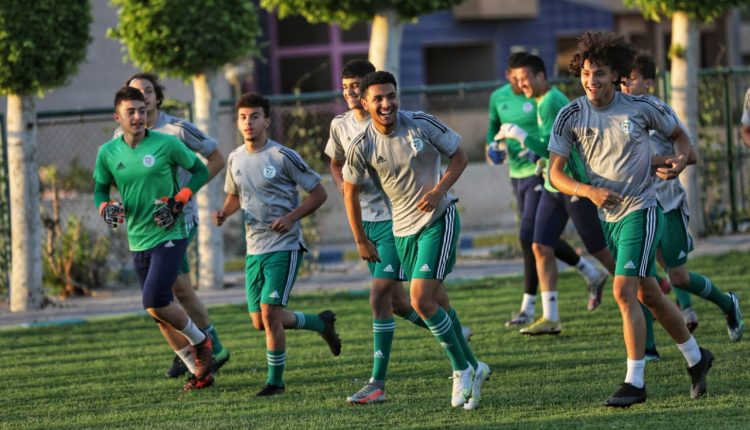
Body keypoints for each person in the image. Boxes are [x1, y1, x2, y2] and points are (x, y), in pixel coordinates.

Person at [548, 31, 714, 407]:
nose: (592, 81)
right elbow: (555, 174)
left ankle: (635, 382)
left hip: (642, 208)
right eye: (586, 74)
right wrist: (588, 192)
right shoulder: (570, 115)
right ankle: (696, 357)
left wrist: (678, 161)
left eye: (601, 74)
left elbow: (680, 138)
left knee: (623, 292)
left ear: (616, 75)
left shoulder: (640, 108)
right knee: (648, 294)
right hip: (609, 216)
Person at [325, 60, 469, 404]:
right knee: (417, 301)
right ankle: (463, 348)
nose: (352, 92)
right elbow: (337, 166)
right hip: (377, 222)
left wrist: (436, 191)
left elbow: (457, 156)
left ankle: (379, 382)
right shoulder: (344, 129)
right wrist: (349, 193)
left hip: (398, 221)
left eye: (358, 86)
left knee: (386, 298)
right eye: (347, 87)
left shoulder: (413, 124)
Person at [213, 93, 341, 397]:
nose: (248, 122)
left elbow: (318, 193)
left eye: (255, 116)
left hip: (284, 246)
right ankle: (321, 323)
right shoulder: (234, 158)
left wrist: (291, 217)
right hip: (253, 249)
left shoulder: (283, 156)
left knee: (270, 313)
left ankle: (276, 382)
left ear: (267, 121)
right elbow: (234, 196)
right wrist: (223, 212)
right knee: (260, 321)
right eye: (243, 117)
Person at [94, 87, 214, 391]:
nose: (138, 116)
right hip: (138, 238)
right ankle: (198, 372)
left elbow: (200, 170)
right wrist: (105, 207)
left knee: (154, 299)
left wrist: (181, 198)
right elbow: (99, 190)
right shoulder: (107, 152)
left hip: (170, 232)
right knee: (156, 313)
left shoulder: (167, 143)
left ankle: (202, 342)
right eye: (130, 112)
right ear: (117, 117)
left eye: (142, 110)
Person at [621, 53, 743, 348]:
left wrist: (671, 165)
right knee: (640, 278)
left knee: (679, 278)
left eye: (632, 79)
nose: (625, 84)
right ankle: (647, 351)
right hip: (635, 209)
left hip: (668, 206)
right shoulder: (616, 115)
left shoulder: (659, 110)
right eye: (621, 79)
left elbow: (691, 154)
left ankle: (727, 303)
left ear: (648, 82)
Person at [121, 73, 230, 381]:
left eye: (146, 91)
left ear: (157, 96)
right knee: (167, 292)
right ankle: (191, 352)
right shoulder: (125, 135)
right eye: (134, 93)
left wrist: (184, 194)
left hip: (181, 221)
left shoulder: (177, 129)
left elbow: (216, 158)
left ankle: (212, 349)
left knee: (173, 289)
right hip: (145, 228)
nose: (140, 97)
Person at [487, 53, 607, 327]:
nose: (521, 84)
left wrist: (519, 136)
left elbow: (553, 149)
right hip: (553, 184)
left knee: (600, 249)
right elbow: (547, 147)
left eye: (526, 78)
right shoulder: (540, 101)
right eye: (517, 79)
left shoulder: (552, 101)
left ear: (541, 76)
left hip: (572, 184)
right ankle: (550, 317)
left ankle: (643, 291)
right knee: (539, 244)